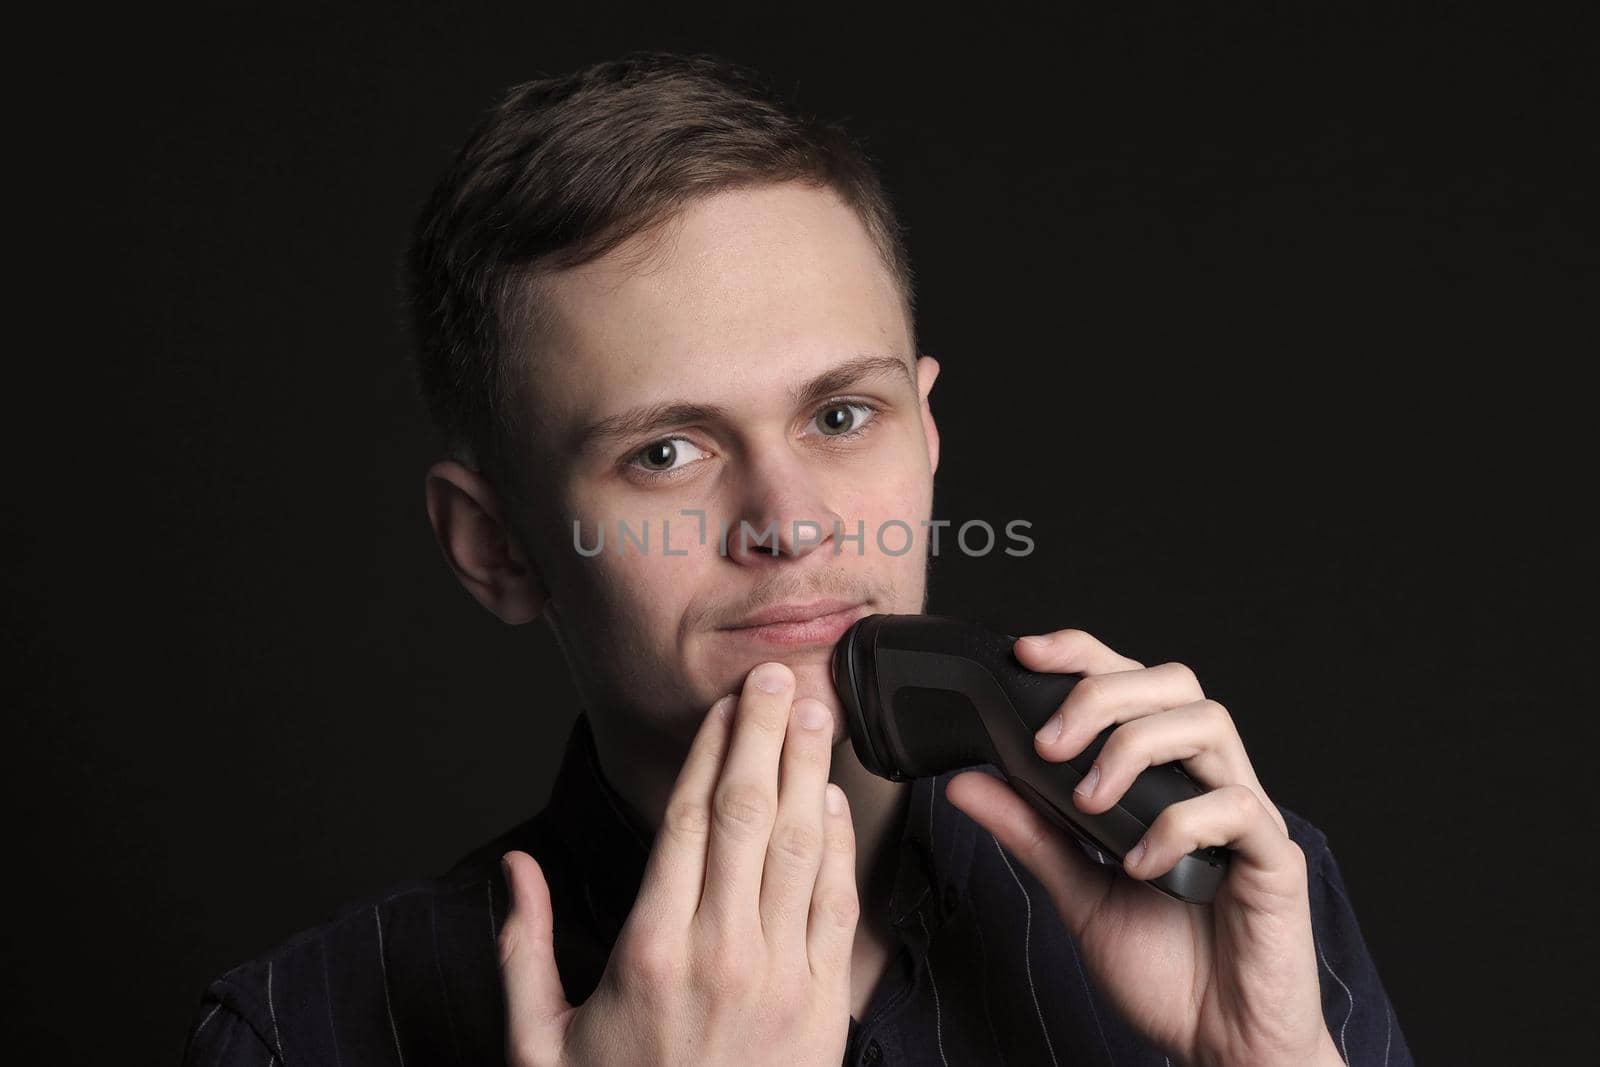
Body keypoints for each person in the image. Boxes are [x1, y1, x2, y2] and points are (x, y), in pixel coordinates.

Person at [181, 50, 1412, 1066]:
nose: (791, 519)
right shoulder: (303, 1034)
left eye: (839, 416)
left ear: (928, 437)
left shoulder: (1234, 889)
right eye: (666, 450)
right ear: (497, 545)